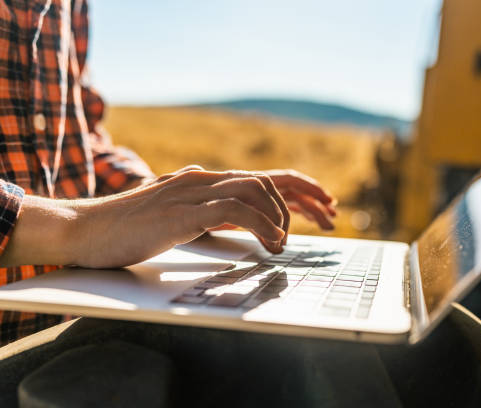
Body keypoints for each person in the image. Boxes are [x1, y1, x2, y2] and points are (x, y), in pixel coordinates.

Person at [0, 0, 336, 345]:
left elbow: (78, 134)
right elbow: (82, 222)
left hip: (75, 322)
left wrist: (159, 197)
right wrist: (80, 227)